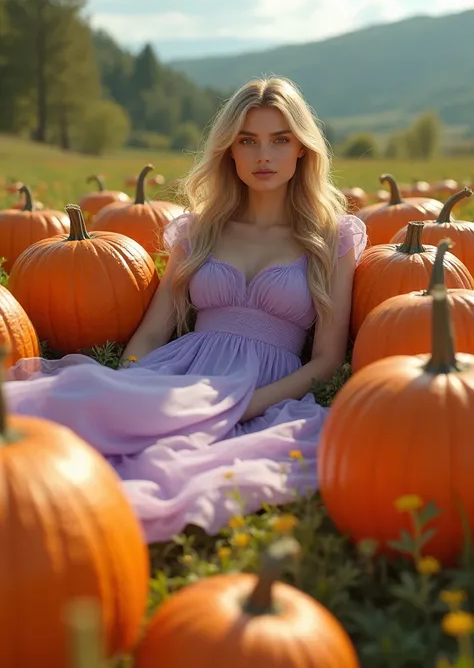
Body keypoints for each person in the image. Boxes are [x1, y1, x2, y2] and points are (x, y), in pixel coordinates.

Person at [4, 76, 367, 543]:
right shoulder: (199, 230)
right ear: (228, 151)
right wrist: (129, 379)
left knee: (168, 465)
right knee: (77, 404)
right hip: (180, 374)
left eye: (280, 140)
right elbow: (155, 330)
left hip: (265, 385)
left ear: (302, 149)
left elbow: (327, 359)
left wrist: (250, 404)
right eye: (247, 141)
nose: (263, 156)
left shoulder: (332, 238)